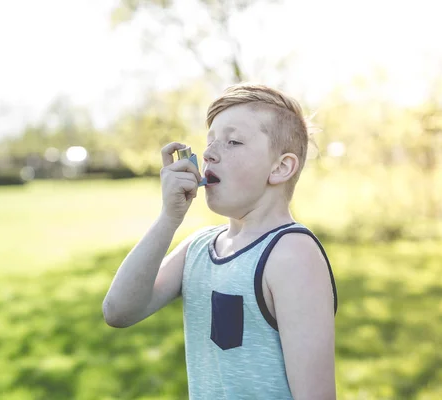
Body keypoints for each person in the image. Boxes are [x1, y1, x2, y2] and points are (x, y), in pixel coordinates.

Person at [103, 83, 338, 400]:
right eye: (210, 141)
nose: (209, 154)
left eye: (233, 142)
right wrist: (169, 218)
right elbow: (118, 311)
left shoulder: (290, 254)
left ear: (280, 167)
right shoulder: (199, 247)